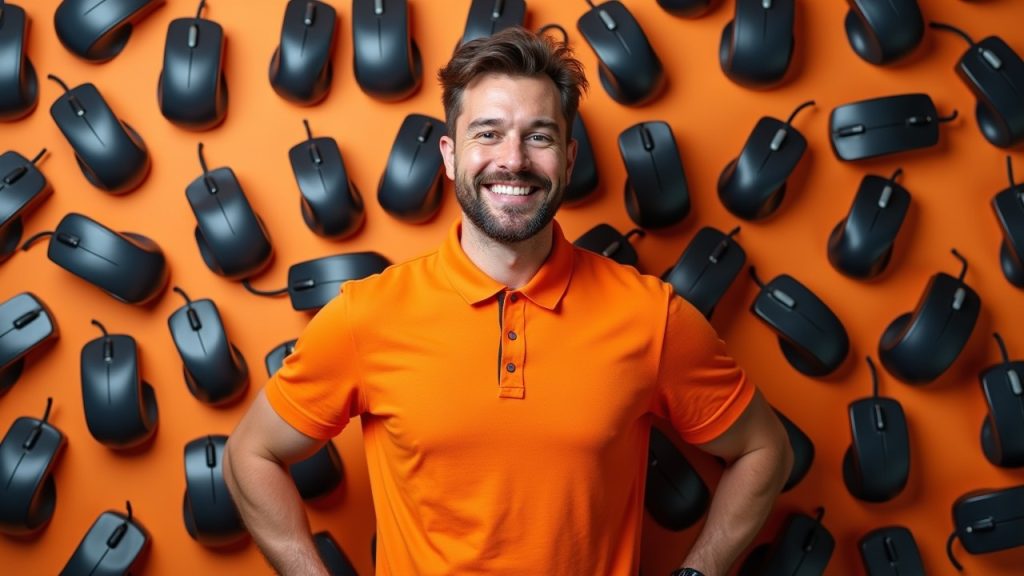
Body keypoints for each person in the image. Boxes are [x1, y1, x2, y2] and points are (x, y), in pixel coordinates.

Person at [223, 27, 793, 576]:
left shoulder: (653, 318)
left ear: (569, 159)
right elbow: (250, 454)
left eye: (539, 136)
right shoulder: (365, 316)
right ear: (449, 156)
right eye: (488, 133)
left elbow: (764, 450)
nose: (513, 159)